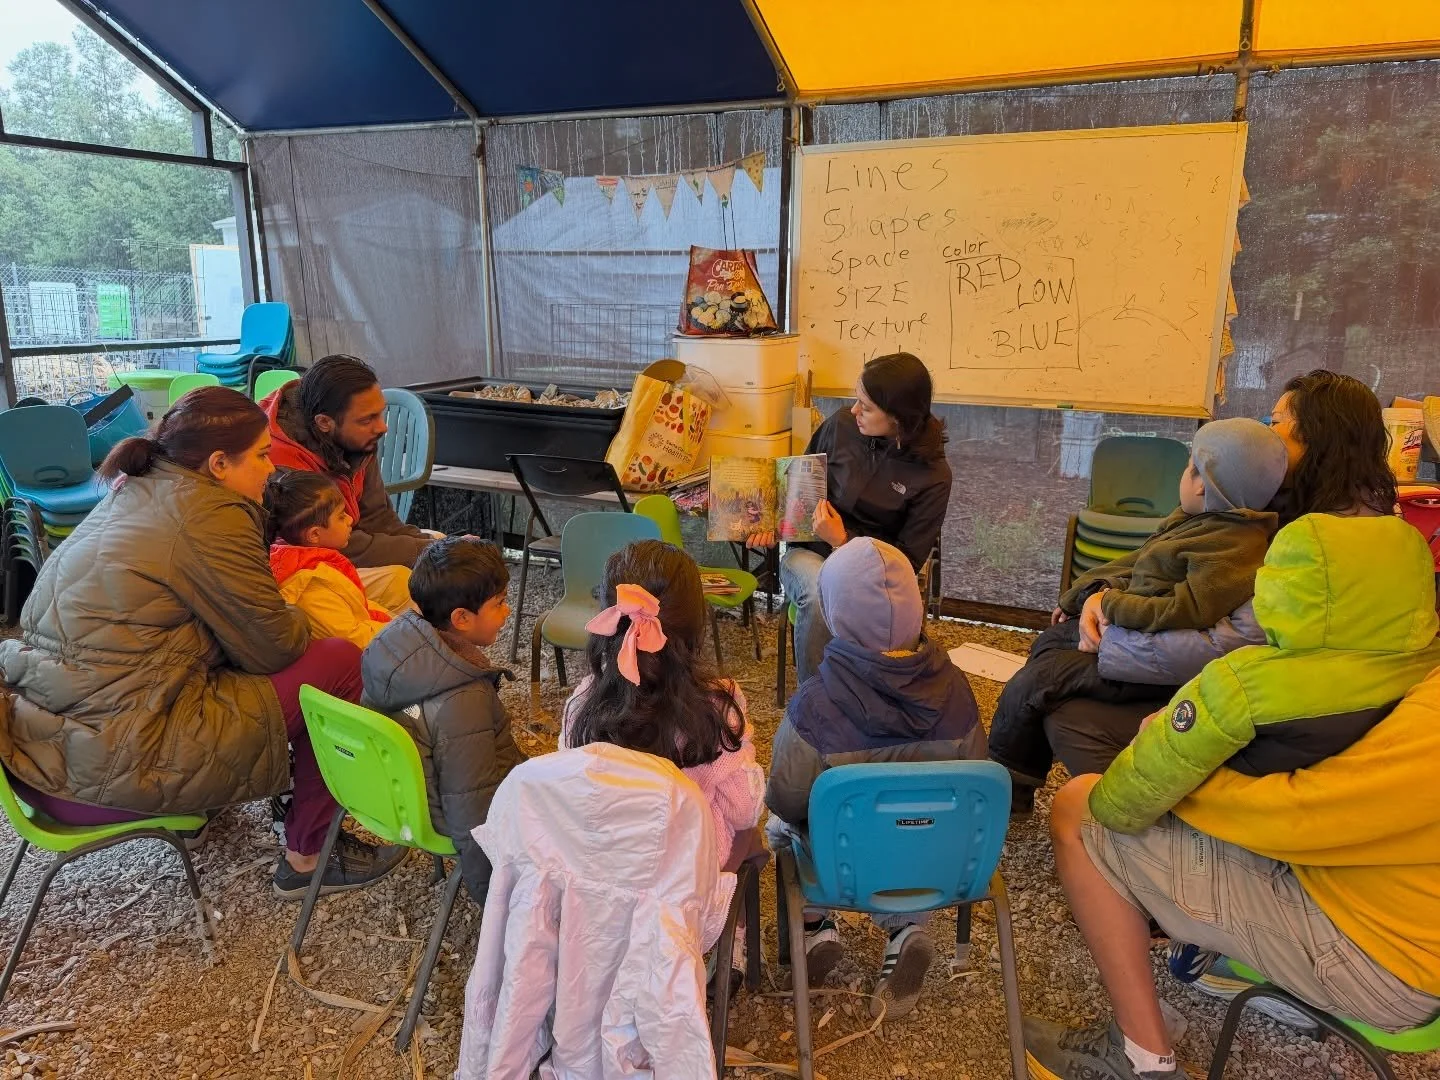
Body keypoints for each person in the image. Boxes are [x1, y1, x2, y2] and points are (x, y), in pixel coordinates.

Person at [1024, 532, 1440, 1080]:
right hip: (1393, 910)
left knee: (1079, 808)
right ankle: (1212, 956)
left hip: (1382, 959)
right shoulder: (1418, 666)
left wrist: (1179, 768)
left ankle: (1142, 1059)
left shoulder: (1254, 683)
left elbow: (1295, 816)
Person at [0, 387, 407, 898]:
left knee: (227, 657)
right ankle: (310, 855)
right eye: (261, 456)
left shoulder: (139, 486)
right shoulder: (211, 512)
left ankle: (228, 807)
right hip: (108, 766)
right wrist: (297, 613)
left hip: (46, 746)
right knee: (338, 662)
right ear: (219, 463)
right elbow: (274, 647)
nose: (269, 469)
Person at [1044, 369, 1400, 778]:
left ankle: (1152, 826)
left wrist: (1111, 638)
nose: (1261, 433)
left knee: (1068, 709)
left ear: (1319, 440)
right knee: (1059, 665)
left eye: (1275, 424)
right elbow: (1156, 556)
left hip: (1275, 712)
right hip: (1230, 681)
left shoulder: (1322, 538)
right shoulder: (1273, 501)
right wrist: (1098, 591)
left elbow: (1235, 644)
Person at [988, 418, 1287, 810]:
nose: (1185, 474)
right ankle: (1022, 769)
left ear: (1201, 482)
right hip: (1127, 633)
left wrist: (1112, 606)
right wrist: (1084, 593)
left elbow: (1188, 609)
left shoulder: (1230, 546)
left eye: (1189, 465)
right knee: (1048, 648)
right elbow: (1139, 561)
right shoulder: (1199, 522)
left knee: (1037, 682)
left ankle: (1007, 785)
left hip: (1146, 661)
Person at [765, 537, 984, 1020]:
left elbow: (784, 796)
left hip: (844, 870)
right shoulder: (959, 692)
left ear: (833, 615)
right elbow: (974, 786)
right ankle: (906, 929)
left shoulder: (815, 706)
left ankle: (816, 927)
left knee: (779, 831)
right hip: (936, 866)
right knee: (910, 824)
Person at [564, 540, 765, 986]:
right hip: (689, 887)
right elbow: (744, 808)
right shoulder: (718, 709)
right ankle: (729, 943)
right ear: (696, 625)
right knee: (753, 833)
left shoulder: (582, 704)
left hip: (610, 878)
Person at [750, 352, 952, 687]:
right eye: (856, 400)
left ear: (899, 417)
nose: (854, 411)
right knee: (819, 594)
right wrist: (771, 523)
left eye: (867, 407)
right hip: (809, 553)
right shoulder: (842, 425)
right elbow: (798, 484)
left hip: (875, 579)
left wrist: (842, 541)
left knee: (868, 608)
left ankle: (871, 695)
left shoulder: (933, 475)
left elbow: (907, 562)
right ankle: (815, 701)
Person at [362, 537, 526, 903]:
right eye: (499, 603)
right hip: (453, 812)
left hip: (396, 796)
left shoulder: (390, 643)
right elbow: (473, 814)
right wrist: (498, 903)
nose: (508, 612)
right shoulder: (463, 699)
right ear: (461, 618)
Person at [262, 353, 429, 610]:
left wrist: (437, 548)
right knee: (403, 582)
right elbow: (342, 545)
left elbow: (378, 518)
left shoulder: (356, 437)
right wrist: (426, 553)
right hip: (300, 571)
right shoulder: (279, 462)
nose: (382, 427)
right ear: (324, 423)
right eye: (367, 419)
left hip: (344, 544)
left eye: (380, 414)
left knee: (444, 549)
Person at [265, 470, 395, 650]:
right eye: (341, 516)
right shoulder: (309, 586)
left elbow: (355, 608)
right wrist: (404, 632)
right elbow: (354, 640)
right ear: (315, 534)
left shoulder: (310, 562)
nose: (350, 519)